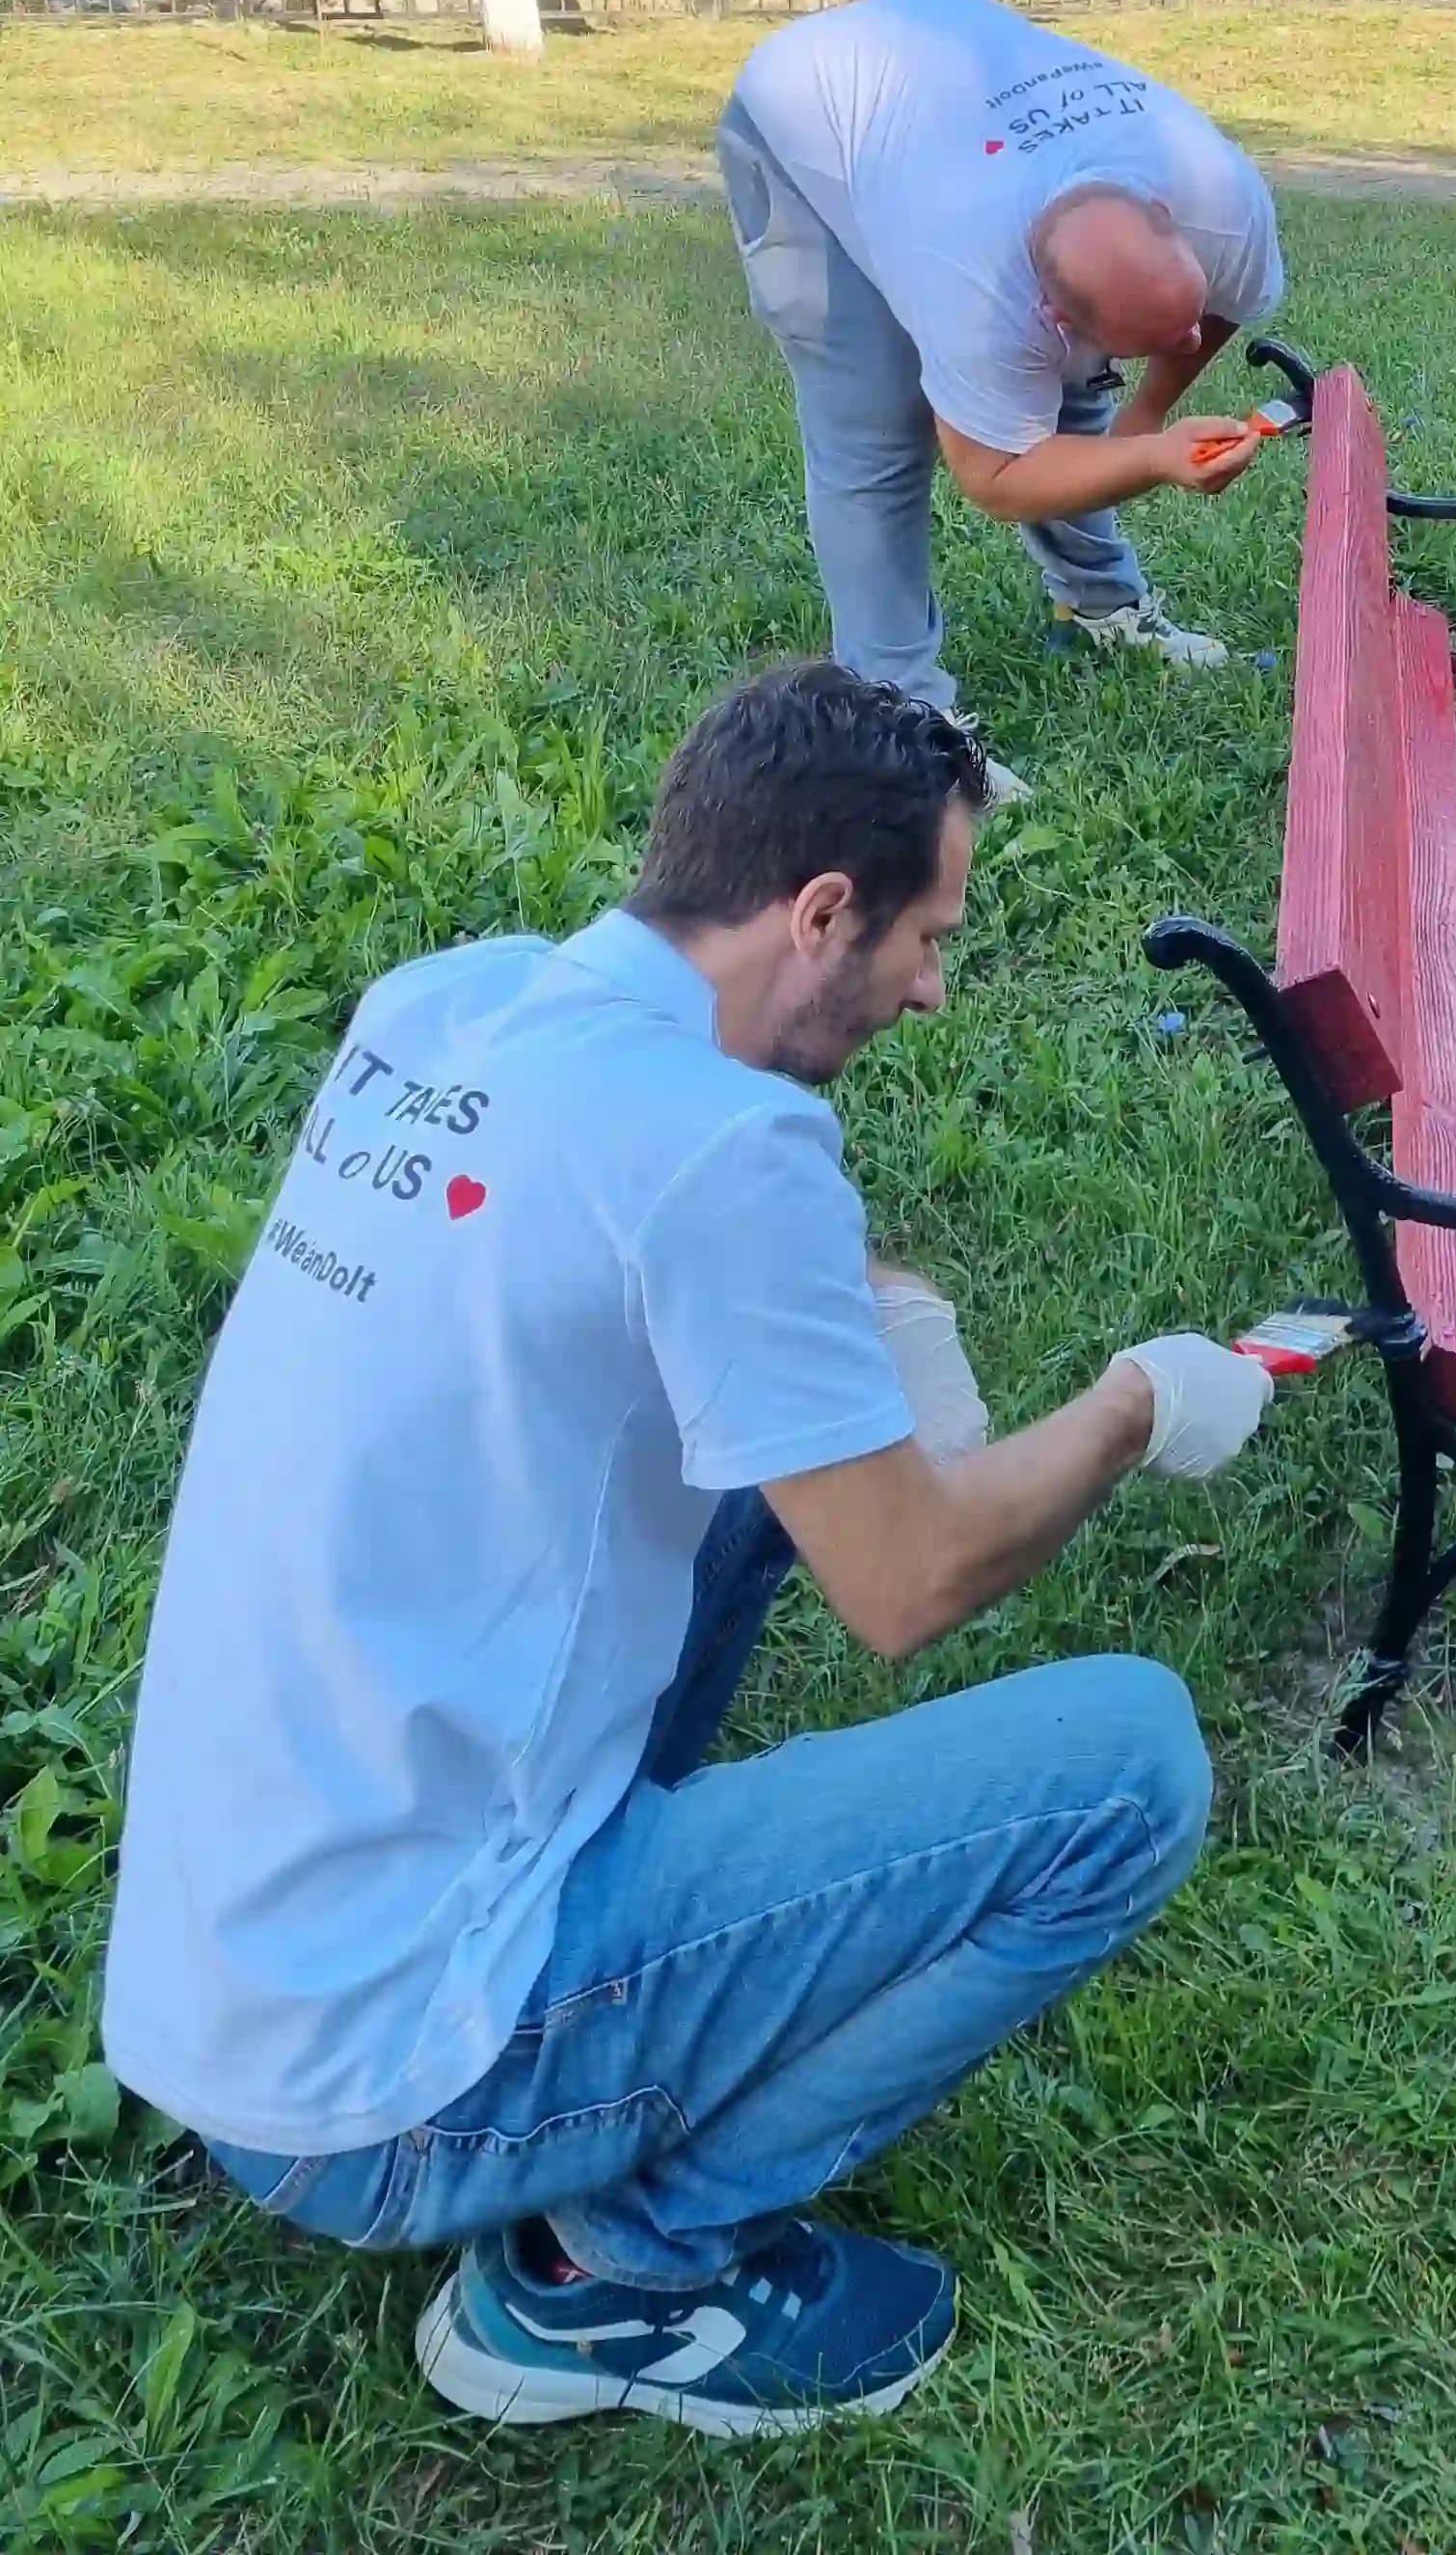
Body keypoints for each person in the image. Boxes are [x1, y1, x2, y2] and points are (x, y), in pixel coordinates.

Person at [102, 661, 1277, 2437]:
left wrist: (876, 1303)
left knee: (742, 1488)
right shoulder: (725, 1148)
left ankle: (599, 1999)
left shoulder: (450, 1005)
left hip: (235, 1975)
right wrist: (1130, 1405)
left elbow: (638, 1235)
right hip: (391, 2081)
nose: (933, 983)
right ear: (821, 910)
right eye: (924, 935)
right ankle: (627, 2269)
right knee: (1129, 1761)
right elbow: (907, 1581)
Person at [719, 0, 1287, 784]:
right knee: (874, 430)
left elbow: (1222, 305)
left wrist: (1147, 410)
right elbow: (995, 475)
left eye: (1181, 318)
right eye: (1163, 342)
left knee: (1073, 391)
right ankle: (901, 723)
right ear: (1046, 308)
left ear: (1169, 217)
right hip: (804, 116)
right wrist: (1154, 459)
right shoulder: (972, 286)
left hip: (937, 87)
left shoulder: (1220, 196)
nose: (1190, 344)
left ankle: (1100, 606)